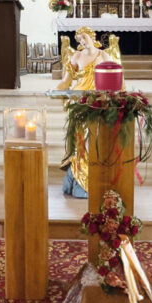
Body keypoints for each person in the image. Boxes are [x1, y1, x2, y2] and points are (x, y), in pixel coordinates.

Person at [57, 27, 116, 197]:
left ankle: (94, 177)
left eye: (84, 38)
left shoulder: (104, 56)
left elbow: (113, 79)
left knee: (95, 139)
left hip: (98, 101)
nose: (82, 42)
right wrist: (56, 91)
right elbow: (66, 80)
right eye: (79, 40)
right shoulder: (76, 56)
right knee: (80, 139)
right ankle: (80, 178)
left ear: (92, 37)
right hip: (79, 100)